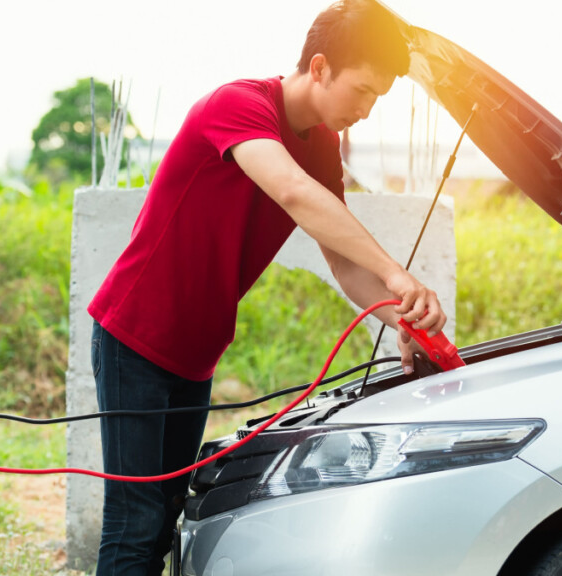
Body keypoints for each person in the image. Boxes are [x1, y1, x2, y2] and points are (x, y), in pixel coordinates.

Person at [86, 1, 447, 573]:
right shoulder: (239, 105)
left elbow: (342, 261)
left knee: (165, 518)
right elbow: (294, 193)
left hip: (196, 351)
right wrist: (398, 273)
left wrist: (400, 315)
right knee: (135, 522)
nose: (366, 110)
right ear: (320, 67)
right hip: (136, 336)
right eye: (361, 90)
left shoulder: (323, 144)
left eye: (377, 97)